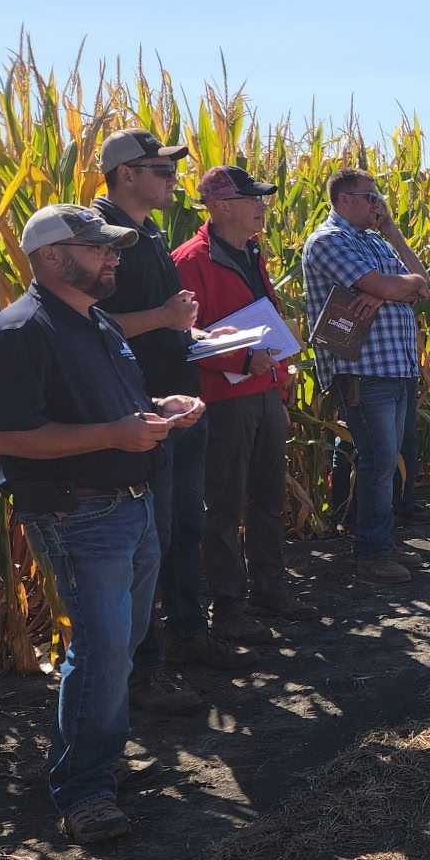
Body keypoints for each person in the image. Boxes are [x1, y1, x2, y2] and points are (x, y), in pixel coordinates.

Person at [0, 204, 205, 844]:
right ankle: (84, 790)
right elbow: (2, 436)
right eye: (99, 249)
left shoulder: (97, 322)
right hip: (78, 511)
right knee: (102, 648)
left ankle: (93, 757)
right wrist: (116, 433)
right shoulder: (20, 331)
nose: (113, 258)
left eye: (112, 249)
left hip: (131, 504)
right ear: (52, 257)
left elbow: (122, 406)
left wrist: (164, 409)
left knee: (123, 642)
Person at [92, 127, 251, 711]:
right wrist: (163, 317)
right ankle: (143, 667)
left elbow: (165, 321)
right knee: (151, 541)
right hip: (140, 408)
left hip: (182, 400)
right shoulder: (101, 236)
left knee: (185, 526)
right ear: (126, 174)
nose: (173, 179)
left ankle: (187, 636)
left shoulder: (152, 232)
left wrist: (202, 334)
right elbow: (95, 324)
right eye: (161, 170)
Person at [172, 166, 305, 644]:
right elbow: (181, 335)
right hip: (224, 400)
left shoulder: (251, 252)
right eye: (253, 199)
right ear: (222, 205)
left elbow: (263, 323)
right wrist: (243, 357)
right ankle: (228, 608)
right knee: (224, 506)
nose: (262, 205)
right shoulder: (190, 260)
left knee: (268, 499)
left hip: (264, 393)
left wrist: (278, 387)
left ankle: (272, 590)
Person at [301, 167, 430, 584]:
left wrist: (392, 234)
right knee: (377, 461)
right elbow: (391, 287)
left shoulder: (375, 241)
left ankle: (383, 542)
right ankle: (371, 553)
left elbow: (422, 286)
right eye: (370, 197)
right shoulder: (329, 241)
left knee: (388, 461)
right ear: (344, 200)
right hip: (362, 370)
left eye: (379, 198)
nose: (378, 205)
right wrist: (389, 289)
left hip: (396, 367)